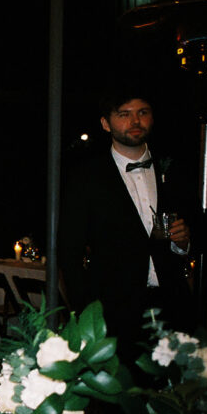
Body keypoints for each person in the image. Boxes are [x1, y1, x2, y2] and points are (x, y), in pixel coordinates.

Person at [60, 90, 193, 368]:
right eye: (124, 114)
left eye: (142, 112)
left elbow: (196, 230)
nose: (135, 121)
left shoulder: (173, 170)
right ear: (106, 123)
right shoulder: (86, 176)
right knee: (121, 389)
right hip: (113, 311)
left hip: (171, 305)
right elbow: (69, 251)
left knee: (174, 387)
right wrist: (86, 312)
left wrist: (183, 242)